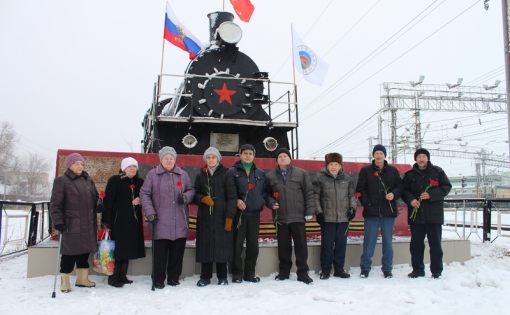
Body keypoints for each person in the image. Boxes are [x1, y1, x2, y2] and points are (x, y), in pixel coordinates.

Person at [140, 146, 194, 289]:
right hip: (159, 222)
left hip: (179, 221)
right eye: (166, 158)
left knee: (177, 254)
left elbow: (191, 190)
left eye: (171, 158)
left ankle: (173, 278)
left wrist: (186, 197)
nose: (169, 160)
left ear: (175, 159)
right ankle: (158, 279)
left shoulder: (183, 174)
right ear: (161, 159)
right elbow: (144, 194)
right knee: (160, 255)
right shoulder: (152, 175)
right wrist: (150, 212)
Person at [266, 148, 316, 284]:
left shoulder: (301, 173)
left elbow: (309, 193)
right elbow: (267, 194)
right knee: (283, 246)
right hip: (281, 217)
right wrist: (271, 203)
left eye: (285, 156)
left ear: (290, 158)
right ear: (276, 160)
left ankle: (303, 273)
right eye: (280, 156)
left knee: (301, 246)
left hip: (298, 216)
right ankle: (284, 272)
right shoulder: (270, 176)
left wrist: (309, 211)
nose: (282, 158)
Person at [50, 152, 98, 293]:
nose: (80, 166)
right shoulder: (61, 181)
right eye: (77, 163)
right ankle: (65, 282)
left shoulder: (88, 180)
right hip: (71, 224)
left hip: (88, 224)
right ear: (69, 165)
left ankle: (82, 280)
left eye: (82, 164)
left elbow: (95, 197)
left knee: (84, 253)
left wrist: (99, 204)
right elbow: (55, 204)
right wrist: (57, 222)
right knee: (69, 254)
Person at [402, 148, 451, 279]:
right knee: (416, 245)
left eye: (424, 156)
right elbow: (403, 191)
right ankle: (417, 270)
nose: (421, 159)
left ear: (427, 158)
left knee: (435, 245)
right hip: (416, 215)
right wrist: (411, 200)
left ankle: (436, 271)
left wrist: (431, 194)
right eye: (419, 157)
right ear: (416, 159)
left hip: (433, 215)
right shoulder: (409, 175)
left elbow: (446, 187)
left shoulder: (438, 172)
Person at [356, 144, 403, 278]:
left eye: (381, 153)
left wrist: (394, 194)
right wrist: (368, 203)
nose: (378, 155)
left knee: (388, 242)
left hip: (388, 213)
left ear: (384, 155)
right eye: (376, 153)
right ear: (373, 155)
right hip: (371, 213)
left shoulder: (393, 171)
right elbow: (360, 190)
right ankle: (365, 268)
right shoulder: (366, 171)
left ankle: (387, 269)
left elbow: (400, 187)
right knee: (369, 242)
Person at [193, 147, 237, 287]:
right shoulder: (200, 175)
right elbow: (195, 194)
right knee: (206, 245)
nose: (211, 160)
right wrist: (202, 199)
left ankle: (222, 276)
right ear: (205, 160)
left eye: (213, 157)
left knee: (221, 246)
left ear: (218, 159)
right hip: (205, 217)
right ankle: (205, 277)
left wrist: (230, 217)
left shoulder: (227, 174)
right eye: (208, 157)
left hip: (222, 216)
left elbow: (232, 196)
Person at [101, 157, 146, 288]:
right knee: (117, 250)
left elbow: (147, 195)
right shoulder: (115, 180)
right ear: (123, 168)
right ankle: (114, 277)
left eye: (134, 167)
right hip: (117, 222)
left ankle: (122, 276)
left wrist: (140, 199)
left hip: (133, 222)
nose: (132, 169)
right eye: (129, 166)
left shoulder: (140, 182)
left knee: (127, 250)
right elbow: (108, 202)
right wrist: (106, 221)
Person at [314, 152, 357, 280]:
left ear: (340, 166)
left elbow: (351, 196)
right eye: (331, 164)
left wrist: (352, 208)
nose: (333, 167)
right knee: (327, 246)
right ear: (327, 165)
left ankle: (339, 269)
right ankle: (325, 270)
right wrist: (319, 212)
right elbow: (316, 197)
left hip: (343, 218)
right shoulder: (320, 178)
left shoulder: (347, 179)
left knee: (341, 245)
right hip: (327, 218)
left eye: (336, 164)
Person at [228, 144, 266, 283]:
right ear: (240, 155)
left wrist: (263, 202)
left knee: (253, 246)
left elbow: (264, 192)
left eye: (250, 153)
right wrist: (237, 200)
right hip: (239, 215)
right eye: (245, 153)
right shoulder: (232, 172)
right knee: (237, 245)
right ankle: (237, 274)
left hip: (254, 214)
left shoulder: (260, 173)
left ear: (254, 156)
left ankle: (249, 274)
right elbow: (229, 192)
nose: (248, 155)